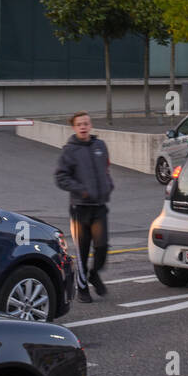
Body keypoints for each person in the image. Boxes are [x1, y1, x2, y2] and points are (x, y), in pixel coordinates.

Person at [55, 111, 114, 302]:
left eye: (86, 123)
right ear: (74, 127)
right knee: (82, 252)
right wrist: (81, 190)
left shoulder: (100, 145)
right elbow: (61, 177)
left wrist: (108, 185)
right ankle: (82, 289)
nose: (83, 127)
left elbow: (106, 169)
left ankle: (94, 274)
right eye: (79, 124)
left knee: (102, 246)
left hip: (99, 206)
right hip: (80, 208)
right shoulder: (69, 150)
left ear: (90, 125)